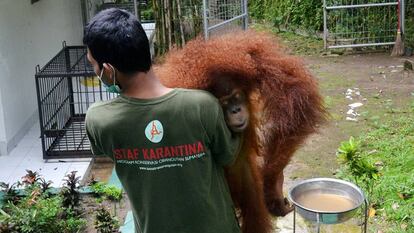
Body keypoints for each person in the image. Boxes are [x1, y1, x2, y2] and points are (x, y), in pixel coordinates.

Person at [83, 8, 242, 233]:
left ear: (108, 70)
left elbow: (107, 149)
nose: (94, 70)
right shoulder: (202, 105)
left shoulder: (99, 119)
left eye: (93, 65)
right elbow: (228, 155)